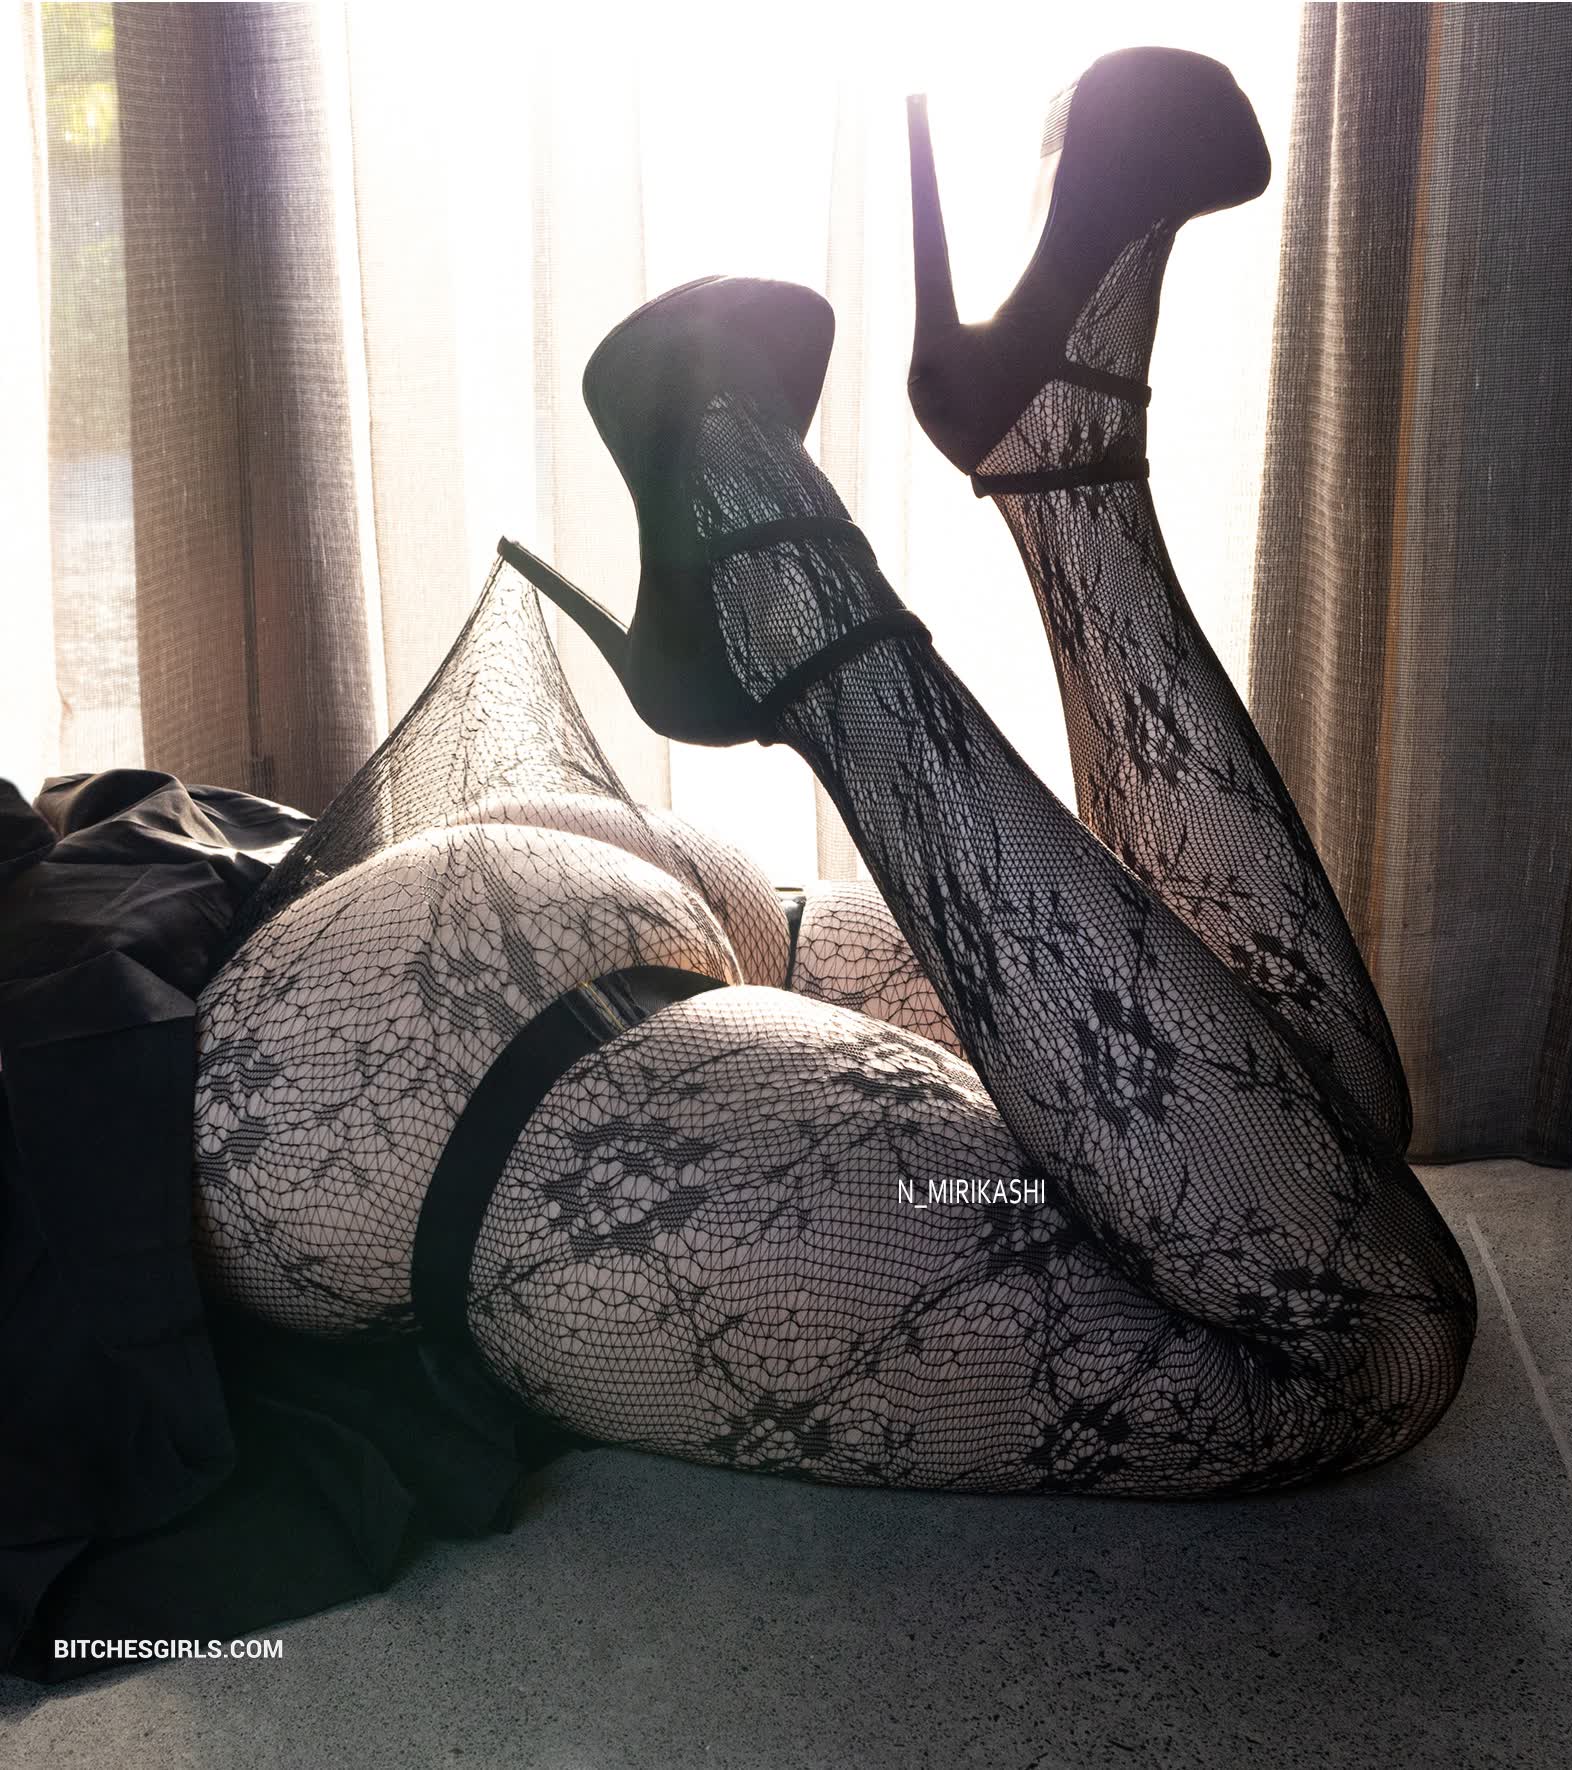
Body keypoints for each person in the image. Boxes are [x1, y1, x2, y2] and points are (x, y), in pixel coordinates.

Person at [198, 46, 1475, 1498]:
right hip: (501, 966)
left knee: (1353, 1314)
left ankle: (783, 584)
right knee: (1319, 1161)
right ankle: (1050, 452)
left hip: (368, 1064)